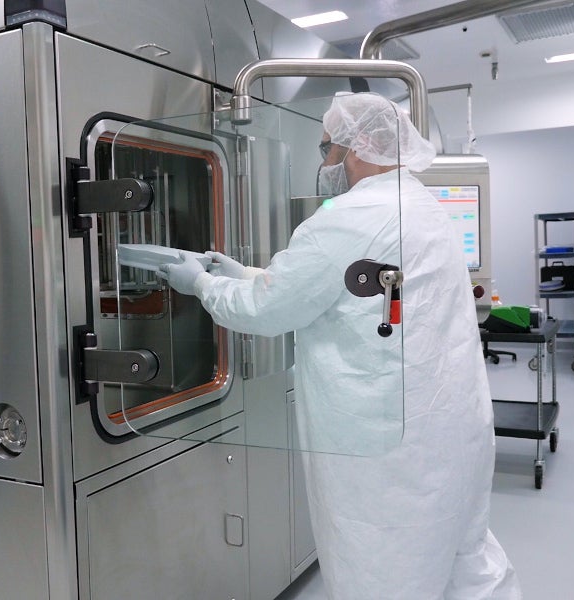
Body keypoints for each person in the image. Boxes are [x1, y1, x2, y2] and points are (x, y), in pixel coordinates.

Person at [158, 92, 522, 599]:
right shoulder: (421, 206)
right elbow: (334, 289)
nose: (326, 162)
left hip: (383, 447)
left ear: (358, 146)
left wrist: (200, 284)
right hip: (450, 430)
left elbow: (267, 310)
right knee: (464, 560)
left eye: (328, 147)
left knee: (385, 574)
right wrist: (245, 274)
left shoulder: (348, 217)